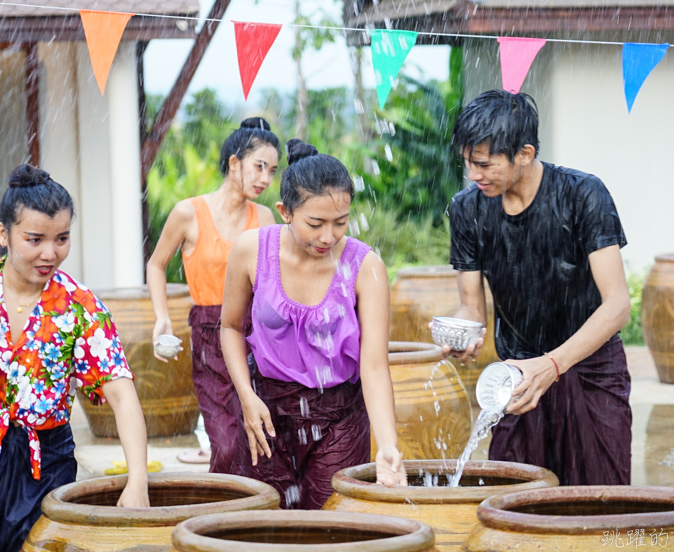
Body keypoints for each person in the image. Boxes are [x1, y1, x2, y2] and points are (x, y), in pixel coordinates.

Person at [0, 165, 150, 552]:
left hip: (45, 464)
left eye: (62, 238)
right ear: (3, 234)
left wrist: (137, 479)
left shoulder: (80, 306)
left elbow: (122, 394)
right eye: (35, 239)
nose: (50, 253)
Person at [446, 90, 632, 485]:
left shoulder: (583, 195)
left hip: (590, 369)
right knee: (514, 507)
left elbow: (617, 306)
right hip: (516, 378)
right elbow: (472, 308)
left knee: (600, 505)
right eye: (468, 163)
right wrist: (461, 330)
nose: (473, 175)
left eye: (484, 164)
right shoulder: (467, 209)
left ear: (525, 154)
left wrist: (552, 365)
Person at [221, 139, 407, 510]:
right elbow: (229, 328)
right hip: (266, 410)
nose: (328, 237)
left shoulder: (365, 267)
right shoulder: (251, 250)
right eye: (315, 223)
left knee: (330, 525)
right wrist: (246, 395)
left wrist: (388, 445)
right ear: (284, 212)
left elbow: (373, 365)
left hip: (339, 416)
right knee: (265, 524)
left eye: (340, 223)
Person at [147, 117, 279, 473]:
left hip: (256, 337)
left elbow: (278, 280)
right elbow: (156, 264)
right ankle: (220, 519)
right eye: (259, 167)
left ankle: (256, 518)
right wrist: (163, 317)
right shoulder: (189, 213)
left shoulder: (265, 218)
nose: (265, 179)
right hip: (209, 334)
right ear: (234, 163)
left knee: (261, 438)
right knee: (224, 442)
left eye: (272, 170)